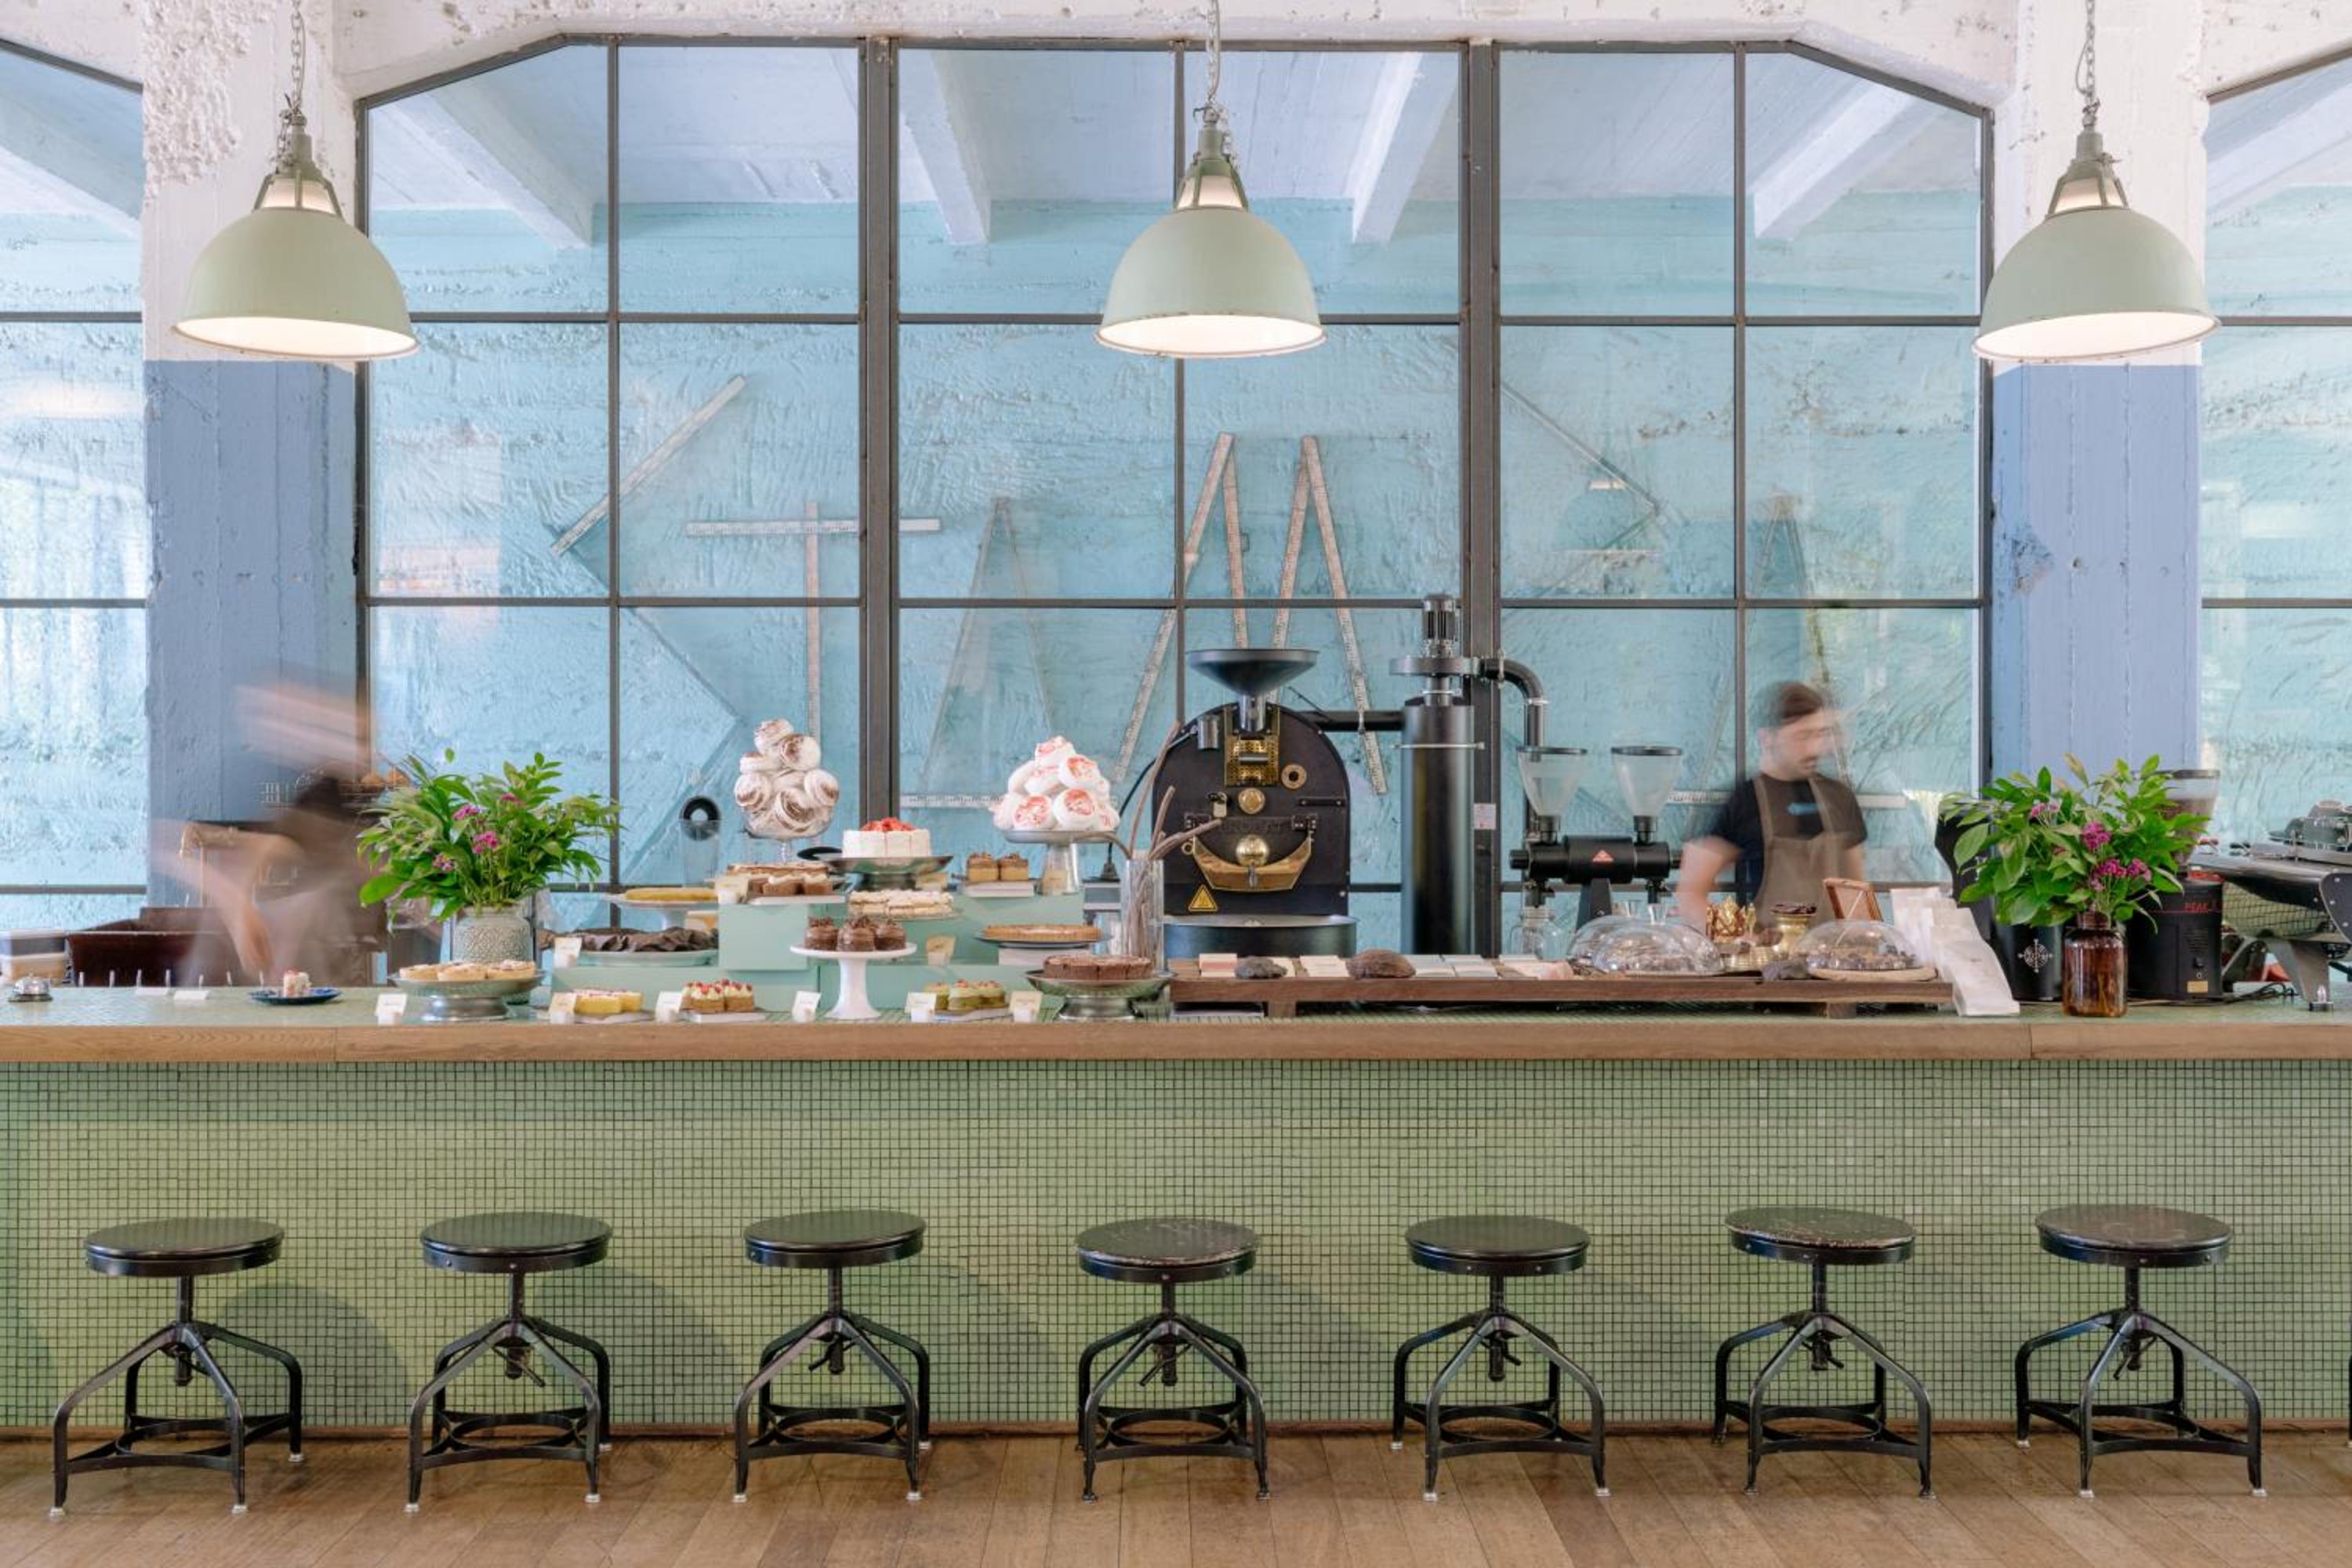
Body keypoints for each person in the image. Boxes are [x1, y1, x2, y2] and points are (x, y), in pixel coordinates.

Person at [1675, 681, 1865, 928]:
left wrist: (1864, 940)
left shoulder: (1840, 797)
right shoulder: (1742, 802)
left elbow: (1855, 894)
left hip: (1831, 952)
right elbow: (1690, 894)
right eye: (1802, 737)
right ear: (1767, 738)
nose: (1814, 748)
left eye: (1819, 734)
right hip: (1766, 952)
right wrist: (1737, 938)